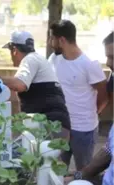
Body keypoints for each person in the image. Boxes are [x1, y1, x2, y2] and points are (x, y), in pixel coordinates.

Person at [48, 20, 108, 171]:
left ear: (61, 40)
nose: (50, 43)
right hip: (60, 128)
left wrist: (93, 113)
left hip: (84, 131)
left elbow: (104, 96)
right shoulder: (54, 60)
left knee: (84, 172)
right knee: (57, 171)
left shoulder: (89, 64)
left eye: (52, 39)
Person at [64, 31, 114, 185]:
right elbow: (108, 152)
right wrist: (76, 177)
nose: (108, 63)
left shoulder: (87, 64)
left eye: (113, 57)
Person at [1, 30, 71, 140]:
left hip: (49, 125)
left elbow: (19, 84)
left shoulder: (30, 59)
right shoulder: (38, 59)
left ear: (14, 50)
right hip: (57, 126)